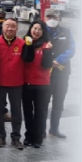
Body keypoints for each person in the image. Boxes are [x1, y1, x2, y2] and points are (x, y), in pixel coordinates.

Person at [0, 18, 25, 150]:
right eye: (7, 26)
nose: (10, 29)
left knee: (16, 111)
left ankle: (16, 137)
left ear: (17, 28)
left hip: (17, 82)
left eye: (13, 26)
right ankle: (0, 136)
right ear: (2, 28)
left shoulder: (22, 43)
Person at [21, 20, 54, 148]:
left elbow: (47, 65)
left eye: (40, 30)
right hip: (27, 83)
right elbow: (27, 60)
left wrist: (48, 51)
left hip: (43, 84)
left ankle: (38, 137)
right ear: (30, 29)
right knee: (28, 112)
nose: (36, 31)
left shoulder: (47, 45)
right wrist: (29, 45)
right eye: (34, 28)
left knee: (41, 112)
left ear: (43, 32)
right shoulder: (24, 43)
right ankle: (28, 136)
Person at [45, 8, 75, 138]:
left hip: (62, 72)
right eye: (49, 17)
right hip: (45, 73)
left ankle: (54, 128)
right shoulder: (40, 30)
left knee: (59, 101)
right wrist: (48, 61)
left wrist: (58, 60)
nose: (52, 20)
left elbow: (71, 48)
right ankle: (40, 129)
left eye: (55, 17)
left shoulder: (66, 31)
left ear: (59, 19)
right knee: (43, 101)